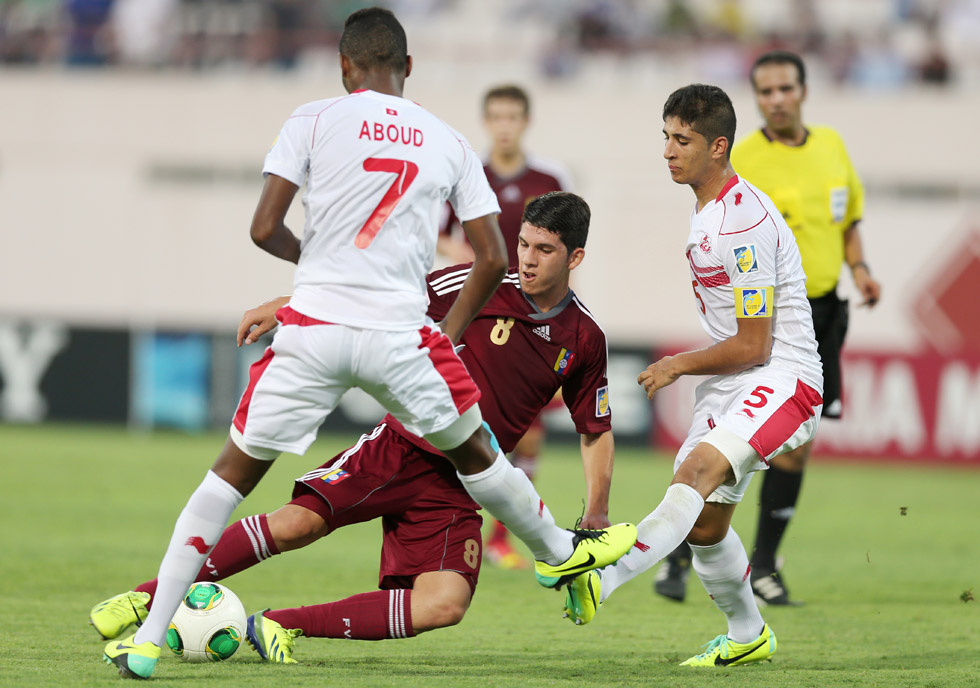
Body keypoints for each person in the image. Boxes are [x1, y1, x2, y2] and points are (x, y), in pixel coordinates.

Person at [101, 9, 635, 680]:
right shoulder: (444, 139)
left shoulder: (313, 118)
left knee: (226, 478)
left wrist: (321, 273)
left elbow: (264, 227)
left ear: (344, 66)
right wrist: (441, 334)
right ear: (409, 68)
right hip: (396, 338)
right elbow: (489, 255)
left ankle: (150, 637)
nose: (530, 257)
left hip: (319, 328)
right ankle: (557, 550)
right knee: (476, 453)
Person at [92, 192, 617, 663]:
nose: (526, 258)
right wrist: (285, 305)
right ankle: (145, 597)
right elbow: (371, 295)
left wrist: (597, 510)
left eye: (544, 250)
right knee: (298, 525)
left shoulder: (586, 337)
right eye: (523, 244)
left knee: (444, 605)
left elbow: (593, 429)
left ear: (575, 258)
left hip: (468, 482)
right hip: (404, 446)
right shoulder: (475, 283)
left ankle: (280, 624)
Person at [561, 84, 824, 668]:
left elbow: (755, 342)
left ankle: (601, 578)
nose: (668, 151)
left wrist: (678, 363)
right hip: (739, 376)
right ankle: (748, 635)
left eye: (682, 140)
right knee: (704, 527)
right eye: (666, 137)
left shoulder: (742, 223)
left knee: (697, 472)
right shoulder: (706, 205)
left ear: (719, 147)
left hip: (785, 374)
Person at [653, 51, 881, 607]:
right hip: (766, 324)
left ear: (803, 91)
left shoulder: (831, 147)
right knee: (718, 461)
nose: (776, 99)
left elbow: (848, 215)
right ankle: (686, 553)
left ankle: (764, 564)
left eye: (785, 88)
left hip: (816, 312)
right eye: (766, 91)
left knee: (790, 451)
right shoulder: (735, 161)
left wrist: (860, 268)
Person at [439, 85, 574, 570]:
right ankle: (458, 527)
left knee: (528, 430)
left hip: (533, 319)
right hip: (478, 316)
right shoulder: (466, 172)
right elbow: (440, 232)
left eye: (513, 115)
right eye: (496, 115)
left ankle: (501, 538)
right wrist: (463, 259)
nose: (504, 124)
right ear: (486, 119)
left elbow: (566, 248)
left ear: (525, 121)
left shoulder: (550, 177)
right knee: (469, 421)